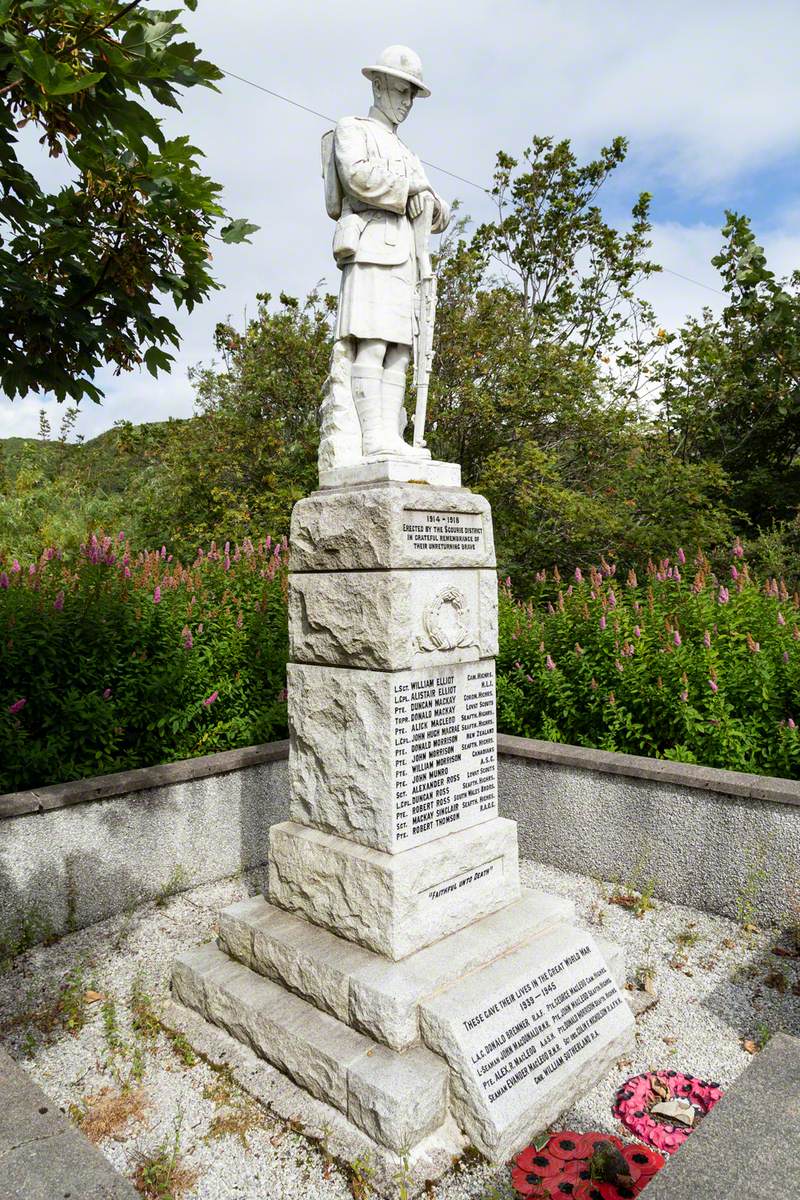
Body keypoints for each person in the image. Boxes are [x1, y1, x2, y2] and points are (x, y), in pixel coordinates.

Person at [328, 45, 450, 458]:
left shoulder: (407, 153)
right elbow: (357, 177)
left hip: (407, 258)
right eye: (401, 91)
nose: (407, 103)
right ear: (379, 86)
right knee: (373, 344)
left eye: (412, 95)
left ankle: (391, 440)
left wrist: (427, 203)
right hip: (370, 247)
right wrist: (408, 192)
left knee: (400, 350)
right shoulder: (352, 128)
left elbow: (439, 209)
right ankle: (372, 439)